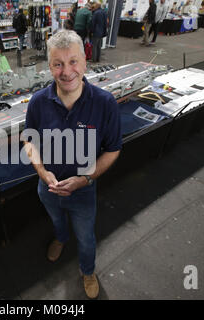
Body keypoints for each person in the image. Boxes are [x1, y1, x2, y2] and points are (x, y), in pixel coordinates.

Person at [24, 29, 122, 299]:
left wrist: (85, 179)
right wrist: (42, 172)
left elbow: (113, 150)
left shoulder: (105, 103)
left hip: (83, 192)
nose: (67, 71)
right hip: (48, 190)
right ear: (50, 66)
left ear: (85, 62)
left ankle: (88, 271)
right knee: (57, 221)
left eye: (73, 61)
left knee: (87, 239)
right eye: (58, 64)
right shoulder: (37, 103)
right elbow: (29, 141)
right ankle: (60, 238)